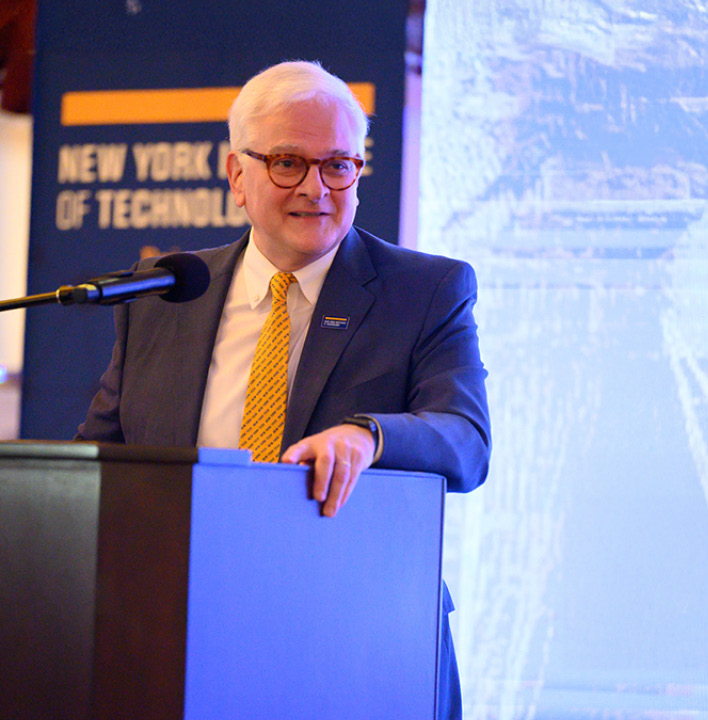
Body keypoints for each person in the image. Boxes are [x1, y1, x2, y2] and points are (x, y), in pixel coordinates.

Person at [76, 60, 490, 719]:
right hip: (180, 635)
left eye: (338, 165)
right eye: (289, 163)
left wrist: (369, 436)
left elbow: (466, 442)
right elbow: (98, 464)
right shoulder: (161, 294)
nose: (317, 188)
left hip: (355, 646)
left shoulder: (425, 291)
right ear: (237, 175)